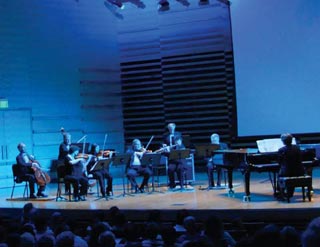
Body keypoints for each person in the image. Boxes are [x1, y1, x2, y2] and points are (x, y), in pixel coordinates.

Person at [277, 133, 305, 198]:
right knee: (289, 172)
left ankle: (281, 193)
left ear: (283, 141)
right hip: (299, 171)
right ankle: (289, 193)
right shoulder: (297, 148)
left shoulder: (281, 150)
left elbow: (279, 162)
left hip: (287, 172)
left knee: (280, 174)